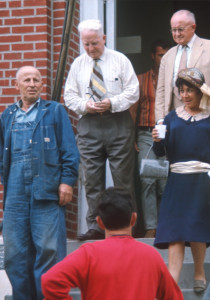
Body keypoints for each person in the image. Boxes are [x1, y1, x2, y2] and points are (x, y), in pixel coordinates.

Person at [0, 66, 79, 300]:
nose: (32, 83)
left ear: (41, 85)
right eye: (27, 80)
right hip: (14, 194)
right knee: (15, 253)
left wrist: (67, 181)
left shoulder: (54, 111)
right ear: (17, 86)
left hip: (47, 189)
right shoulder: (7, 115)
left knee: (49, 250)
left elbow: (69, 150)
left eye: (36, 79)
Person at [152, 68, 210, 293]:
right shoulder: (171, 117)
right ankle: (172, 281)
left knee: (197, 227)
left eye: (190, 91)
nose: (185, 95)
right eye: (182, 91)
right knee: (174, 230)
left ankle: (199, 272)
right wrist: (156, 139)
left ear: (200, 92)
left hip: (203, 181)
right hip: (177, 179)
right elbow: (160, 151)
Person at [64, 19, 139, 241]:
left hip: (118, 122)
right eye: (86, 44)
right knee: (91, 180)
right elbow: (69, 96)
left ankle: (127, 225)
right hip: (89, 125)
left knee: (123, 180)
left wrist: (112, 103)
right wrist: (84, 105)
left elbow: (133, 91)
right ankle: (96, 226)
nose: (90, 49)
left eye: (94, 43)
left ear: (103, 38)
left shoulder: (120, 60)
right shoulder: (78, 64)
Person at [41, 187, 184, 300]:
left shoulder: (88, 254)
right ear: (133, 219)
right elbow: (174, 297)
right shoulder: (152, 256)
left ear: (99, 222)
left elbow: (50, 281)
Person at [155, 9, 210, 124]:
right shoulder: (167, 56)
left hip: (205, 115)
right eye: (173, 30)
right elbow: (161, 90)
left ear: (193, 27)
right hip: (173, 117)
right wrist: (160, 119)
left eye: (180, 29)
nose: (176, 34)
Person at [130, 39, 170, 238]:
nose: (163, 59)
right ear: (153, 56)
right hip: (145, 133)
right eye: (160, 55)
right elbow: (133, 109)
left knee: (164, 181)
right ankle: (151, 228)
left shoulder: (176, 80)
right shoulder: (141, 79)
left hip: (169, 135)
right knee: (147, 179)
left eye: (166, 55)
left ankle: (164, 227)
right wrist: (131, 136)